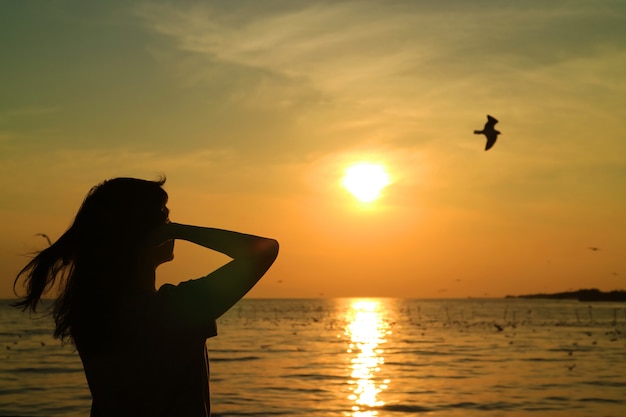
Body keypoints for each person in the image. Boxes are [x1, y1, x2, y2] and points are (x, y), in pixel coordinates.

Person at [13, 177, 279, 417]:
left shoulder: (92, 315)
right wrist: (181, 231)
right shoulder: (175, 310)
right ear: (144, 235)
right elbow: (265, 250)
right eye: (164, 218)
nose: (170, 223)